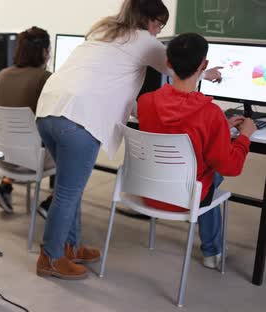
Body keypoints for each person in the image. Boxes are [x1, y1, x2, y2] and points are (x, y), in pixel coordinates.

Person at [34, 0, 224, 280]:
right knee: (68, 192)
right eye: (158, 24)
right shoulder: (143, 41)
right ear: (147, 20)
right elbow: (180, 69)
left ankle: (70, 246)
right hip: (78, 119)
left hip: (48, 111)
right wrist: (209, 73)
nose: (158, 31)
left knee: (68, 187)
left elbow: (107, 80)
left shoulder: (106, 31)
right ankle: (51, 258)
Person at [138, 33, 257, 270]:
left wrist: (221, 127)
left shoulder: (146, 102)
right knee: (212, 172)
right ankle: (212, 251)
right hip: (185, 198)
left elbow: (177, 124)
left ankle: (212, 249)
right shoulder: (211, 114)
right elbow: (231, 167)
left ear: (168, 63)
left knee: (201, 165)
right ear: (204, 65)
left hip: (149, 191)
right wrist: (244, 136)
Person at [0, 26, 54, 216]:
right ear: (44, 52)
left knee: (24, 138)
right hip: (31, 161)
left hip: (4, 157)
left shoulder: (1, 75)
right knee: (70, 145)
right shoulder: (44, 78)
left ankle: (5, 186)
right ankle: (52, 202)